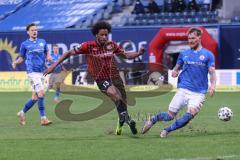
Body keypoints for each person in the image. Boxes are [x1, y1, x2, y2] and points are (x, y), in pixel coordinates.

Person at [44, 21, 145, 135]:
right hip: (101, 78)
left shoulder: (111, 45)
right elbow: (68, 53)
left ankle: (122, 122)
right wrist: (53, 66)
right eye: (102, 34)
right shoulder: (88, 46)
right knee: (116, 96)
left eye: (106, 35)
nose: (104, 37)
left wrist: (138, 53)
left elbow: (126, 55)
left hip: (114, 77)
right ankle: (128, 120)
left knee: (121, 102)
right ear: (96, 35)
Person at [142, 27, 216, 138]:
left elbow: (212, 73)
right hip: (183, 89)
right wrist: (175, 72)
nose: (190, 40)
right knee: (169, 116)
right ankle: (153, 119)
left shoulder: (208, 55)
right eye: (189, 38)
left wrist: (213, 85)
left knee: (190, 114)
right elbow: (176, 68)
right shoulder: (183, 54)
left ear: (200, 37)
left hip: (198, 93)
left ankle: (167, 130)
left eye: (193, 38)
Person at [12, 23, 52, 126]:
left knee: (35, 98)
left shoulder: (42, 42)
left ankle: (22, 113)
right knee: (41, 93)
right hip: (32, 72)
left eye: (36, 30)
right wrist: (16, 62)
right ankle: (43, 118)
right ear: (28, 32)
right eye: (32, 30)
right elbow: (21, 57)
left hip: (41, 72)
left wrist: (48, 56)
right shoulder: (25, 44)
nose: (35, 31)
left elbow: (47, 52)